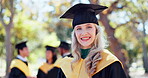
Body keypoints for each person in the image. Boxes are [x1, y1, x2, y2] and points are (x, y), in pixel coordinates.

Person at [57, 3, 127, 78]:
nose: (84, 33)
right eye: (79, 28)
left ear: (96, 31)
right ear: (75, 34)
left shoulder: (109, 63)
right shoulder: (66, 65)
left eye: (89, 27)